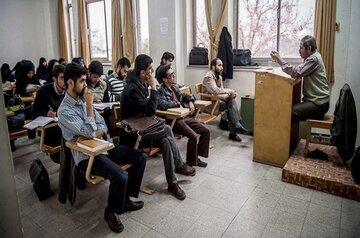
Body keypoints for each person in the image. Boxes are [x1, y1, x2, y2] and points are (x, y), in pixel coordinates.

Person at [58, 63, 146, 233]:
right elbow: (91, 130)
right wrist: (90, 109)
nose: (86, 85)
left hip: (102, 146)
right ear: (70, 82)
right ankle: (111, 211)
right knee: (120, 176)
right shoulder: (64, 111)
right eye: (82, 81)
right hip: (87, 156)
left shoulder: (83, 101)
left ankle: (125, 199)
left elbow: (103, 126)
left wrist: (90, 134)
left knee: (140, 158)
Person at [121, 54, 196, 200]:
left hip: (144, 128)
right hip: (134, 134)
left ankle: (172, 183)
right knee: (167, 129)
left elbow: (148, 110)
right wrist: (154, 88)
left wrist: (151, 91)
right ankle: (179, 165)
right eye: (150, 69)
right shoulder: (132, 89)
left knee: (166, 142)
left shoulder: (139, 84)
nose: (152, 71)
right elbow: (150, 110)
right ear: (143, 72)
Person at [157, 64, 210, 168]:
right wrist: (178, 104)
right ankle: (190, 163)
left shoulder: (174, 87)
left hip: (184, 117)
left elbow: (187, 95)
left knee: (205, 131)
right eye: (171, 75)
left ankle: (196, 158)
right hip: (174, 121)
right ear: (164, 79)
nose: (174, 76)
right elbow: (162, 104)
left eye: (173, 74)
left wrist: (190, 101)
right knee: (193, 136)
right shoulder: (160, 90)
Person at [270, 35, 330, 123]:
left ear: (309, 48)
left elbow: (295, 73)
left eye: (301, 48)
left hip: (319, 104)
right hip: (317, 102)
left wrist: (279, 59)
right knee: (290, 108)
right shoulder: (313, 56)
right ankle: (287, 136)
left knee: (291, 112)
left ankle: (284, 136)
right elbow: (298, 70)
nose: (299, 50)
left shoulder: (313, 59)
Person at [202, 58, 251, 142]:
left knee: (231, 101)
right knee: (230, 103)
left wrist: (230, 95)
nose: (222, 68)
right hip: (210, 104)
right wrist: (230, 92)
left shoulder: (219, 76)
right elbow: (216, 91)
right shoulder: (208, 77)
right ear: (213, 67)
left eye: (222, 65)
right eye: (219, 65)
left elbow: (221, 91)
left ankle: (235, 128)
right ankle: (234, 130)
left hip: (216, 100)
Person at [31, 65, 66, 163]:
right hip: (51, 131)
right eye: (62, 78)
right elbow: (34, 113)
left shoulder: (69, 91)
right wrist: (46, 113)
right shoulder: (44, 91)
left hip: (66, 128)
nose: (66, 81)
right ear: (54, 79)